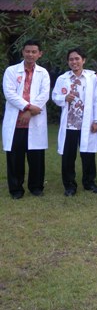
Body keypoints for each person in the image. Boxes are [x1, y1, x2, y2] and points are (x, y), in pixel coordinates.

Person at [52, 48, 97, 196]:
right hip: (69, 124)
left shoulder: (92, 77)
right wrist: (64, 98)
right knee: (68, 156)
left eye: (77, 59)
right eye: (71, 59)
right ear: (68, 62)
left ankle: (89, 183)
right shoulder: (63, 78)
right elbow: (55, 96)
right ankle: (70, 186)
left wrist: (96, 121)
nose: (74, 62)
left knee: (88, 155)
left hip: (87, 123)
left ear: (83, 60)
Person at [2, 40, 50, 199]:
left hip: (34, 120)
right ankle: (16, 189)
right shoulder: (11, 71)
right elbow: (9, 94)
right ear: (22, 52)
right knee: (15, 157)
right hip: (16, 122)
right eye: (27, 51)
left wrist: (29, 112)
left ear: (39, 54)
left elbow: (44, 94)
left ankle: (36, 187)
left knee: (36, 156)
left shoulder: (43, 73)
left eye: (34, 51)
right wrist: (27, 107)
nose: (30, 54)